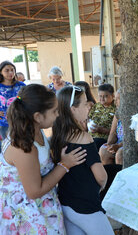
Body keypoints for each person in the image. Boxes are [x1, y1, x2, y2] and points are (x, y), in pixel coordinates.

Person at [0, 84, 86, 234]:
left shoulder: (35, 129)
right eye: (54, 111)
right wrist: (64, 165)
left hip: (42, 207)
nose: (58, 114)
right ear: (38, 117)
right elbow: (34, 191)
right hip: (28, 214)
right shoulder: (24, 147)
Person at [50, 85, 113, 234]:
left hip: (65, 202)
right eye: (85, 103)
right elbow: (101, 176)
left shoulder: (56, 135)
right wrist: (101, 186)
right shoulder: (83, 137)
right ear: (73, 109)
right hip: (86, 206)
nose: (89, 107)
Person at [0, 61, 26, 142]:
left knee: (22, 144)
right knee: (7, 145)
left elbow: (27, 100)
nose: (10, 72)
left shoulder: (21, 85)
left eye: (12, 70)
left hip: (20, 121)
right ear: (1, 72)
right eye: (6, 70)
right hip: (4, 123)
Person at [99, 89, 123, 165]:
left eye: (118, 99)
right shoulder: (117, 114)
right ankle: (109, 176)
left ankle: (120, 176)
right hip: (117, 144)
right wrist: (109, 144)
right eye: (115, 99)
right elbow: (113, 133)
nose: (115, 102)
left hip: (126, 145)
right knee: (103, 150)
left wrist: (118, 146)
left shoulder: (134, 115)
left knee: (120, 153)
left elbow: (131, 138)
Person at [88, 83, 116, 150]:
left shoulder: (116, 108)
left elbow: (118, 131)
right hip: (90, 136)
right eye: (100, 96)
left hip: (105, 139)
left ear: (112, 95)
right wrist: (89, 124)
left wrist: (102, 130)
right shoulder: (96, 106)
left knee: (94, 144)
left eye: (105, 96)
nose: (102, 99)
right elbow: (88, 118)